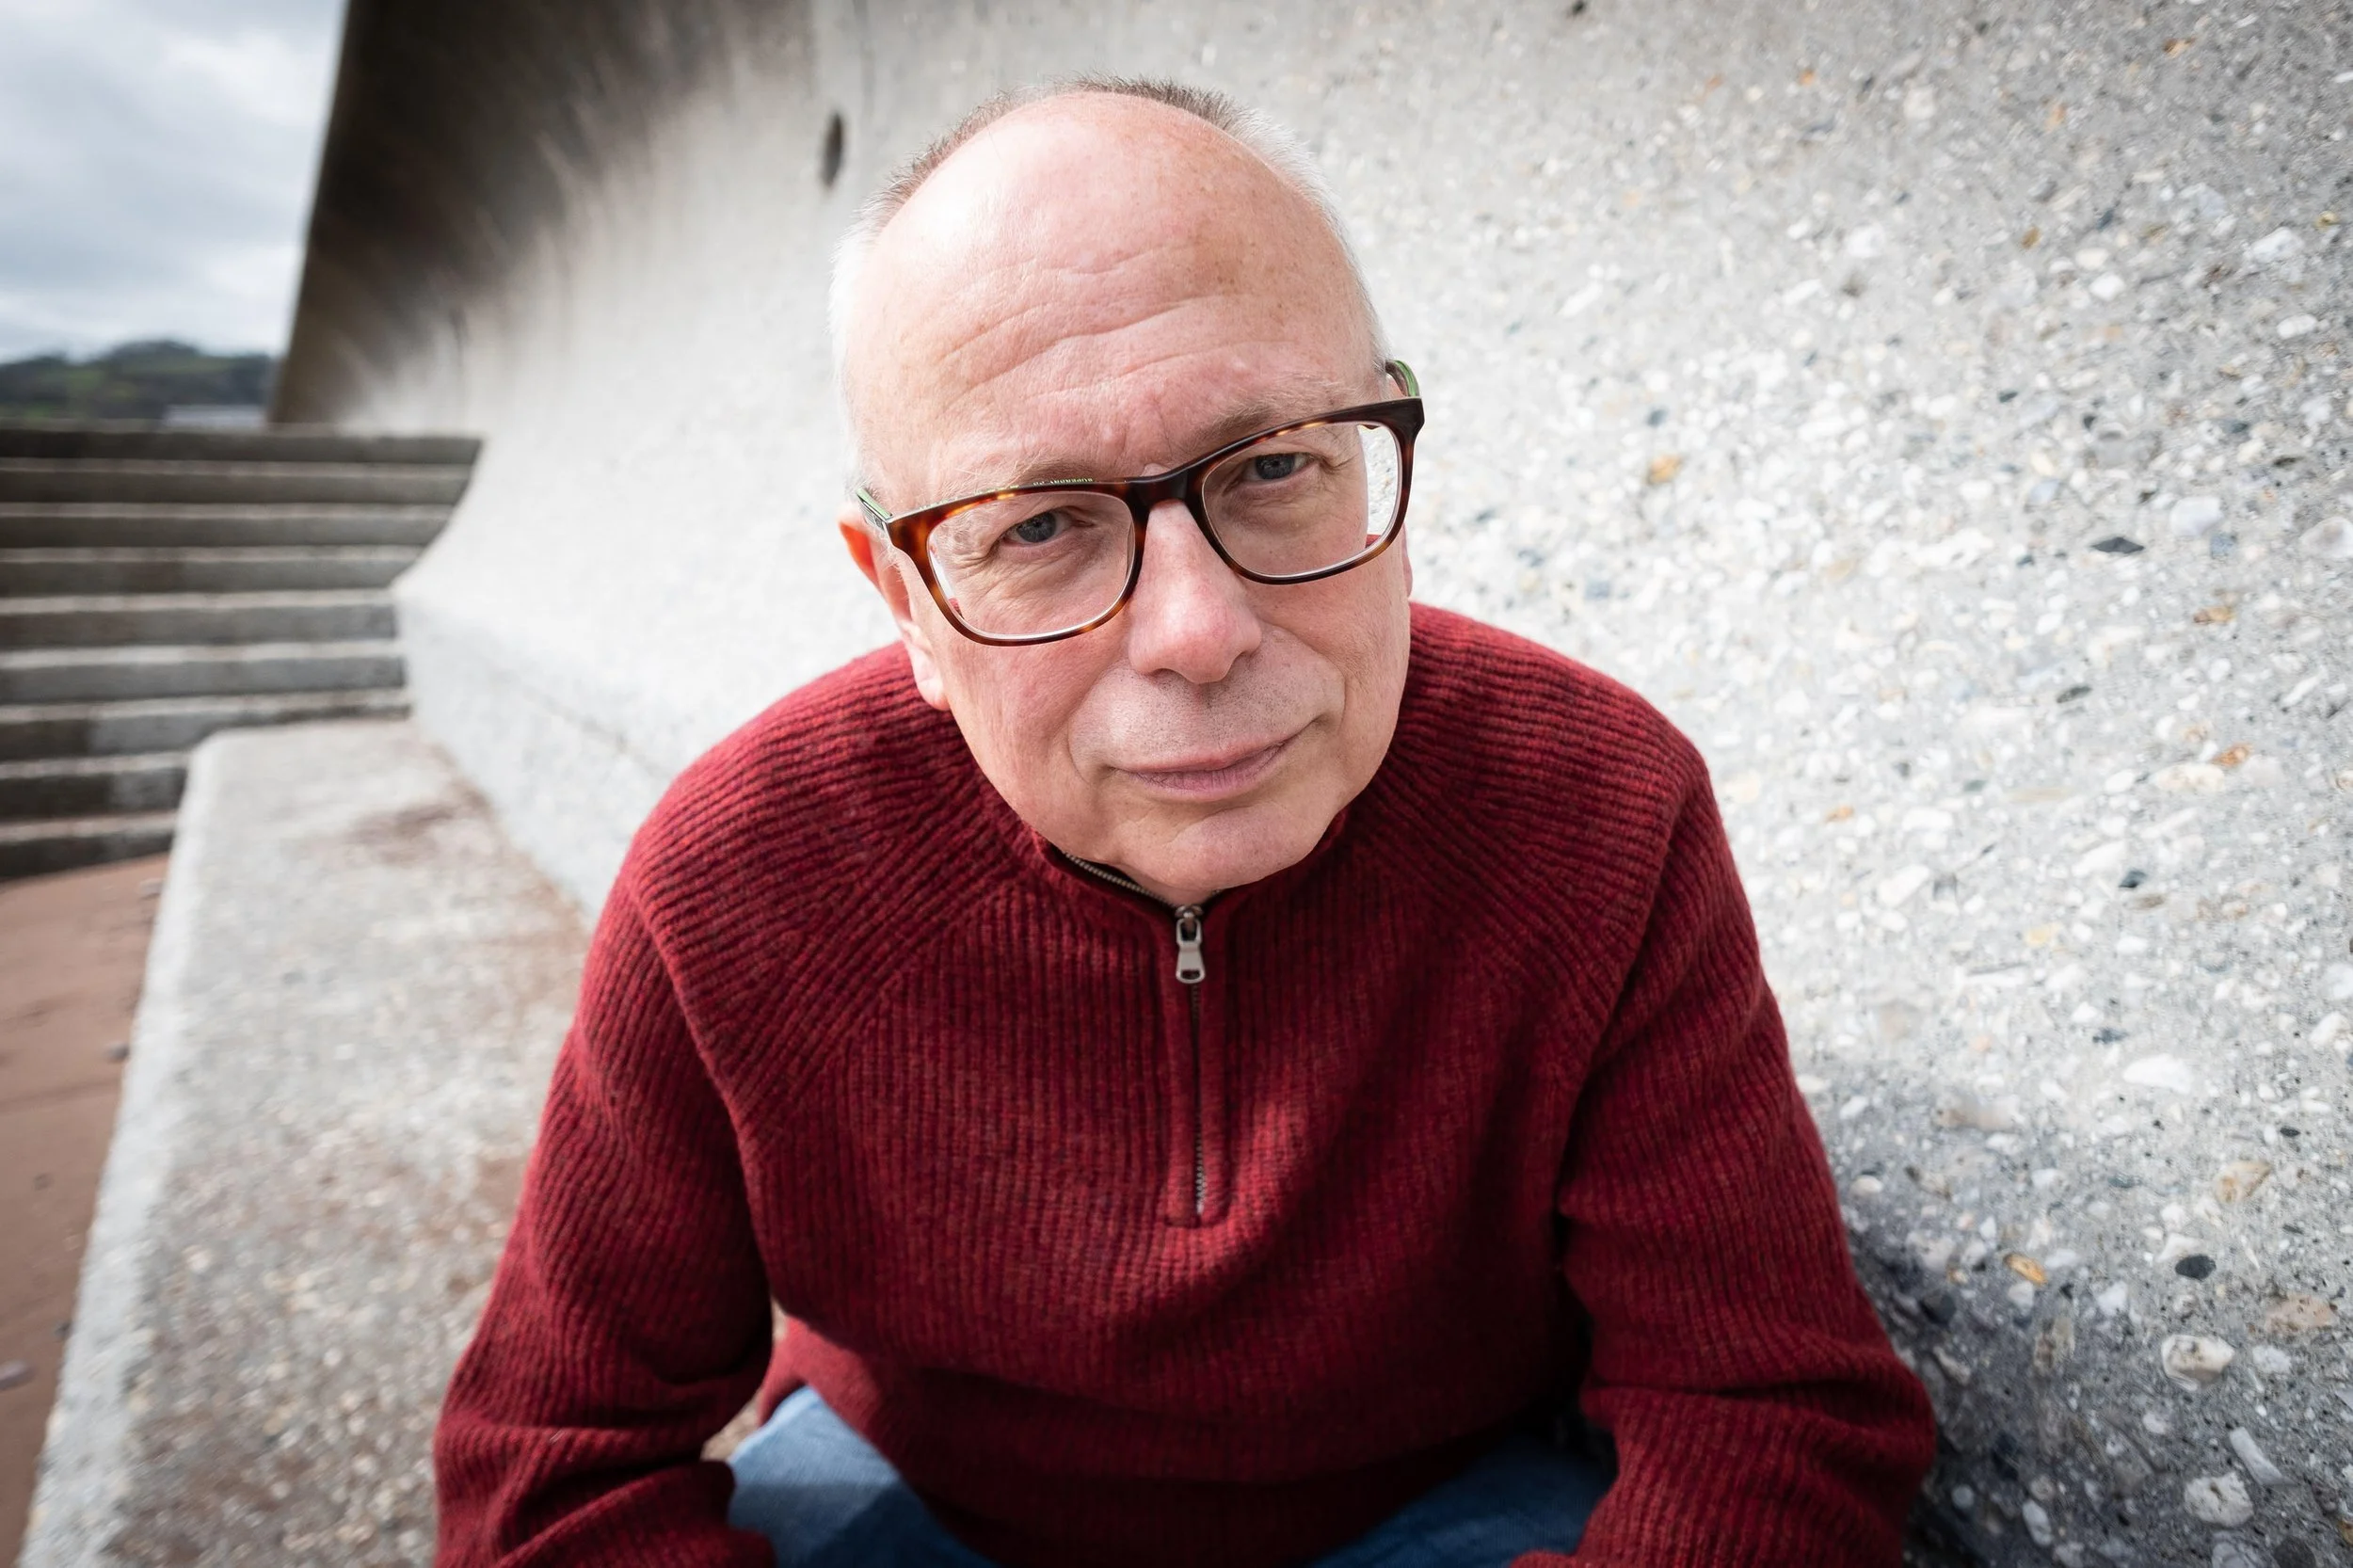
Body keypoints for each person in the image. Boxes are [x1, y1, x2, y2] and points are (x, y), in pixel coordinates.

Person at [433, 77, 1934, 1568]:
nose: (1198, 631)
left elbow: (1762, 1407)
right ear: (908, 606)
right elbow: (549, 1480)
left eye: (1277, 465)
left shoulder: (1602, 814)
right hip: (913, 1499)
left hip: (1445, 1503)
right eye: (1037, 524)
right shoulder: (737, 880)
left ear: (1381, 458)